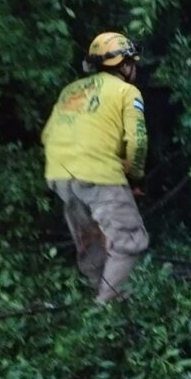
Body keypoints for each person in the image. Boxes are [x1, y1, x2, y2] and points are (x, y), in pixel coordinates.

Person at [41, 32, 150, 304]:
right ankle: (107, 310)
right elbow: (138, 140)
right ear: (124, 66)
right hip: (98, 173)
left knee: (92, 241)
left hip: (59, 175)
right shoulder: (127, 91)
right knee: (128, 242)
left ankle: (96, 296)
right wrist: (135, 175)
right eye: (132, 63)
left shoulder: (70, 91)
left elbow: (47, 135)